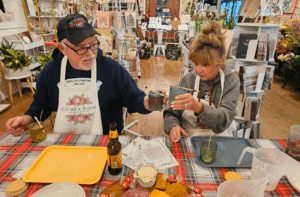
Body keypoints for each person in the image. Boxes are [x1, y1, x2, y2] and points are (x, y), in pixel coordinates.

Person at [6, 14, 168, 136]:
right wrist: (27, 118)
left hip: (107, 140)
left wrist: (147, 103)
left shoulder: (112, 69)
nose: (90, 53)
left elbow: (134, 100)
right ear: (62, 48)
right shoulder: (50, 73)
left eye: (92, 43)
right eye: (81, 47)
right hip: (67, 142)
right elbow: (42, 104)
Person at [164, 22, 240, 142]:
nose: (198, 70)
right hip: (187, 136)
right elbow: (171, 111)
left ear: (220, 61)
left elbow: (224, 120)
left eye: (205, 64)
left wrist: (198, 107)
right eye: (196, 63)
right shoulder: (188, 79)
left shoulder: (231, 82)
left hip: (217, 139)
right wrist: (173, 125)